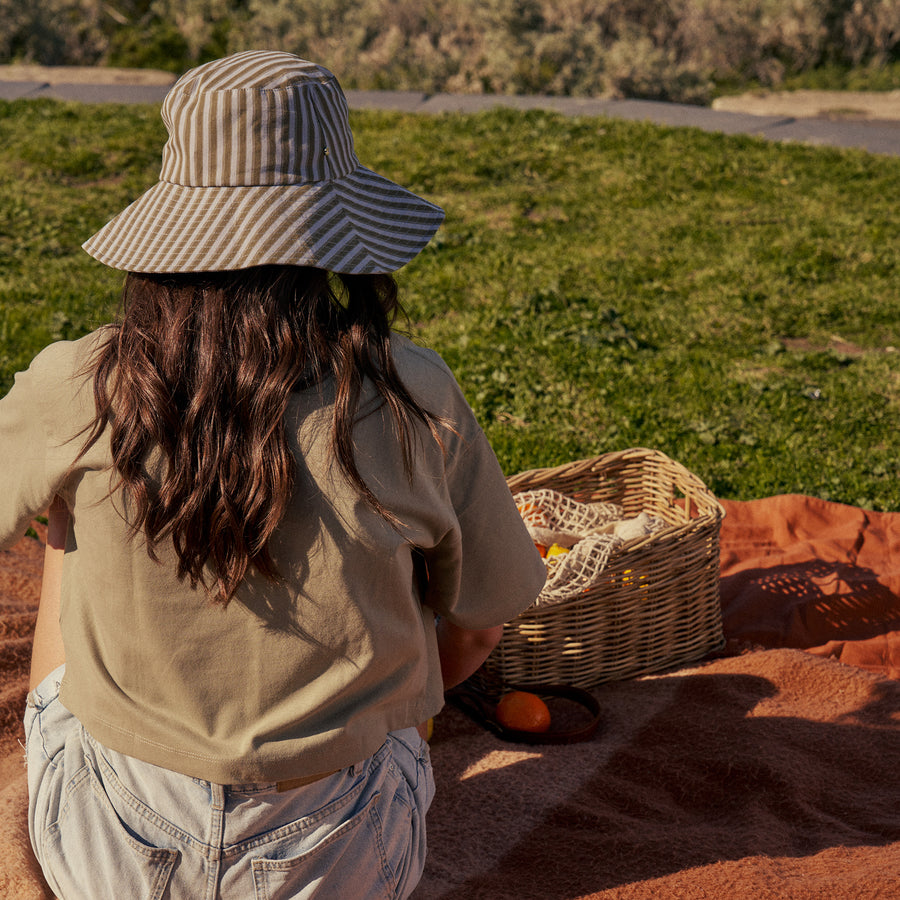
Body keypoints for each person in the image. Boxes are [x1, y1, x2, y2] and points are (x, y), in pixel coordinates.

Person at [0, 50, 546, 899]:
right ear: (336, 228)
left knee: (71, 508)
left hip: (110, 850)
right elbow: (478, 629)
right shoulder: (414, 396)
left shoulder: (80, 384)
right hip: (340, 857)